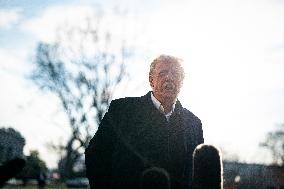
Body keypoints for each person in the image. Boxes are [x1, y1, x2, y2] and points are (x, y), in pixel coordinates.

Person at [85, 54, 204, 189]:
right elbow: (95, 155)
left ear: (182, 81)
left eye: (175, 74)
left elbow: (198, 173)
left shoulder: (194, 123)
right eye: (163, 73)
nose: (169, 78)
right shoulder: (122, 111)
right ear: (151, 80)